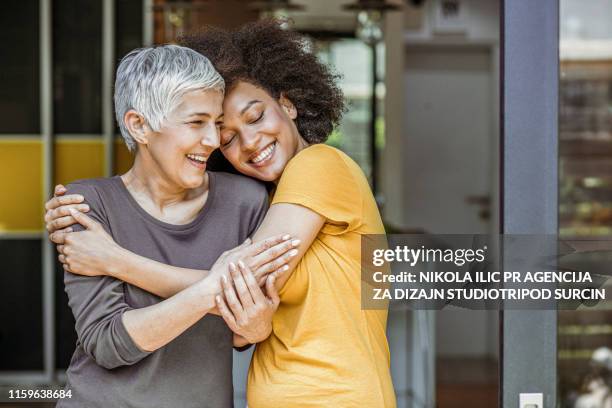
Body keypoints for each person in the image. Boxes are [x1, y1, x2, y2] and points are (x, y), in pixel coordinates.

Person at [46, 20, 396, 407]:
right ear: (140, 126)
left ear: (289, 104)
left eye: (255, 116)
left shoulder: (317, 165)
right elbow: (238, 315)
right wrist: (250, 321)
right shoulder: (264, 199)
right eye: (222, 134)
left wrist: (113, 260)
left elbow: (241, 289)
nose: (239, 142)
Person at [48, 44, 298, 408]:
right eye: (196, 123)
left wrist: (254, 325)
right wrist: (215, 289)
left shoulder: (245, 201)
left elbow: (245, 331)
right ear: (140, 125)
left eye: (215, 124)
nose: (213, 141)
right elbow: (108, 343)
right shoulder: (85, 206)